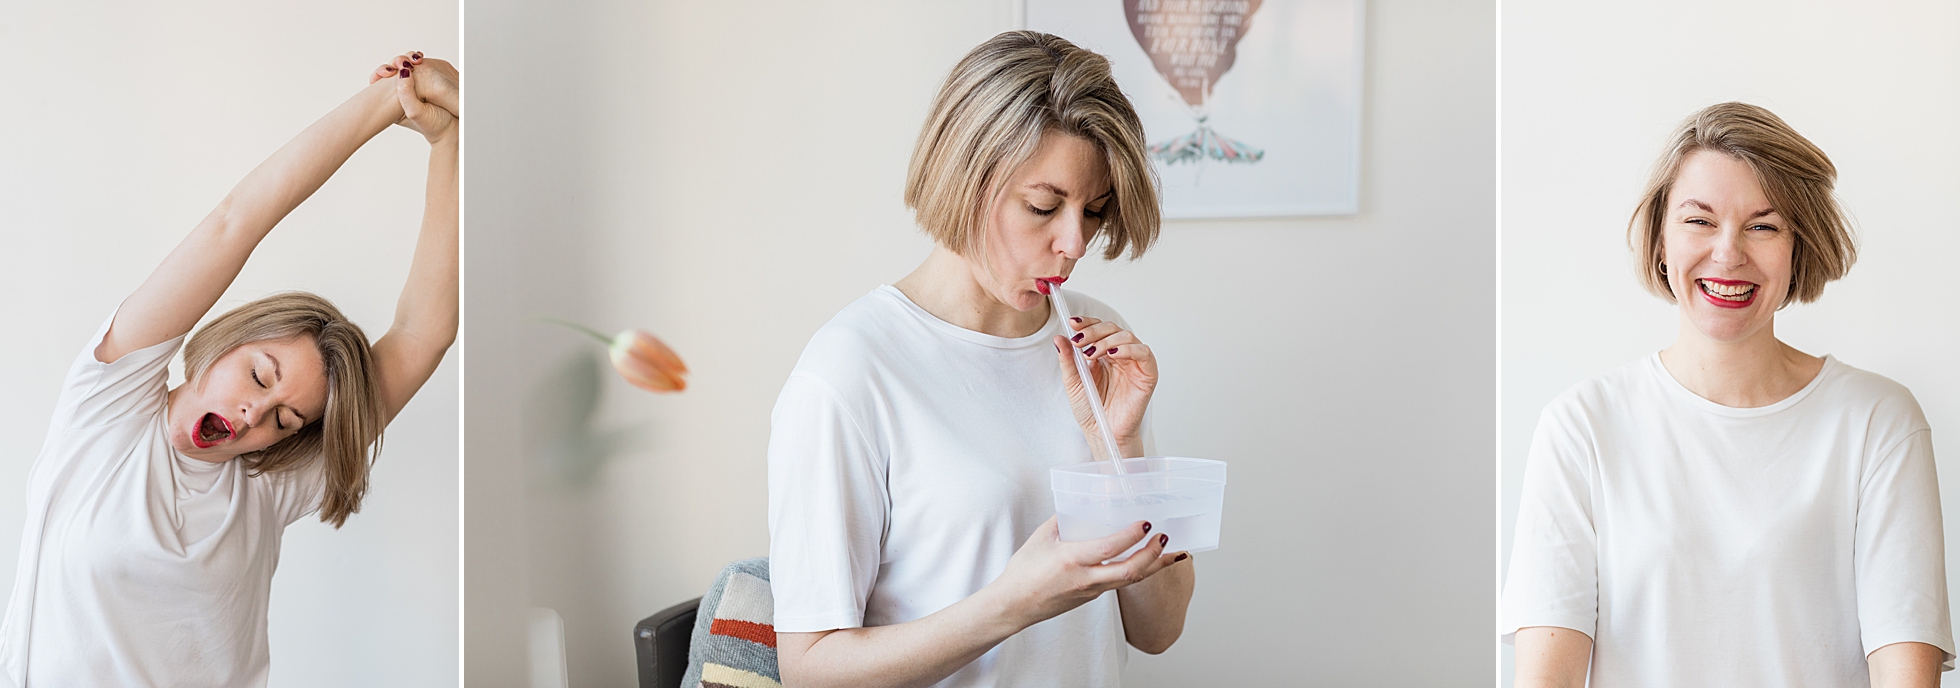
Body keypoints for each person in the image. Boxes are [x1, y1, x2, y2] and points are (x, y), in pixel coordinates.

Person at [0, 52, 459, 686]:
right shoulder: (108, 409)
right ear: (222, 345)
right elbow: (233, 223)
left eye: (285, 417)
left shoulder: (265, 488)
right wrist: (391, 100)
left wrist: (449, 138)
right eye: (261, 377)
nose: (255, 415)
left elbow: (422, 333)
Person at [767, 31, 1195, 687]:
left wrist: (1122, 445)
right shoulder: (851, 372)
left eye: (1094, 210)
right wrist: (1014, 604)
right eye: (1043, 207)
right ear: (964, 176)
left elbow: (1159, 631)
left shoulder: (1096, 342)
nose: (1075, 241)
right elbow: (810, 669)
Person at [1503, 102, 1953, 687]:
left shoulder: (1877, 423)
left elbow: (1905, 672)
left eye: (1763, 226)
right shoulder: (1582, 428)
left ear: (1800, 247)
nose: (1728, 252)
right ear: (1661, 240)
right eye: (1700, 220)